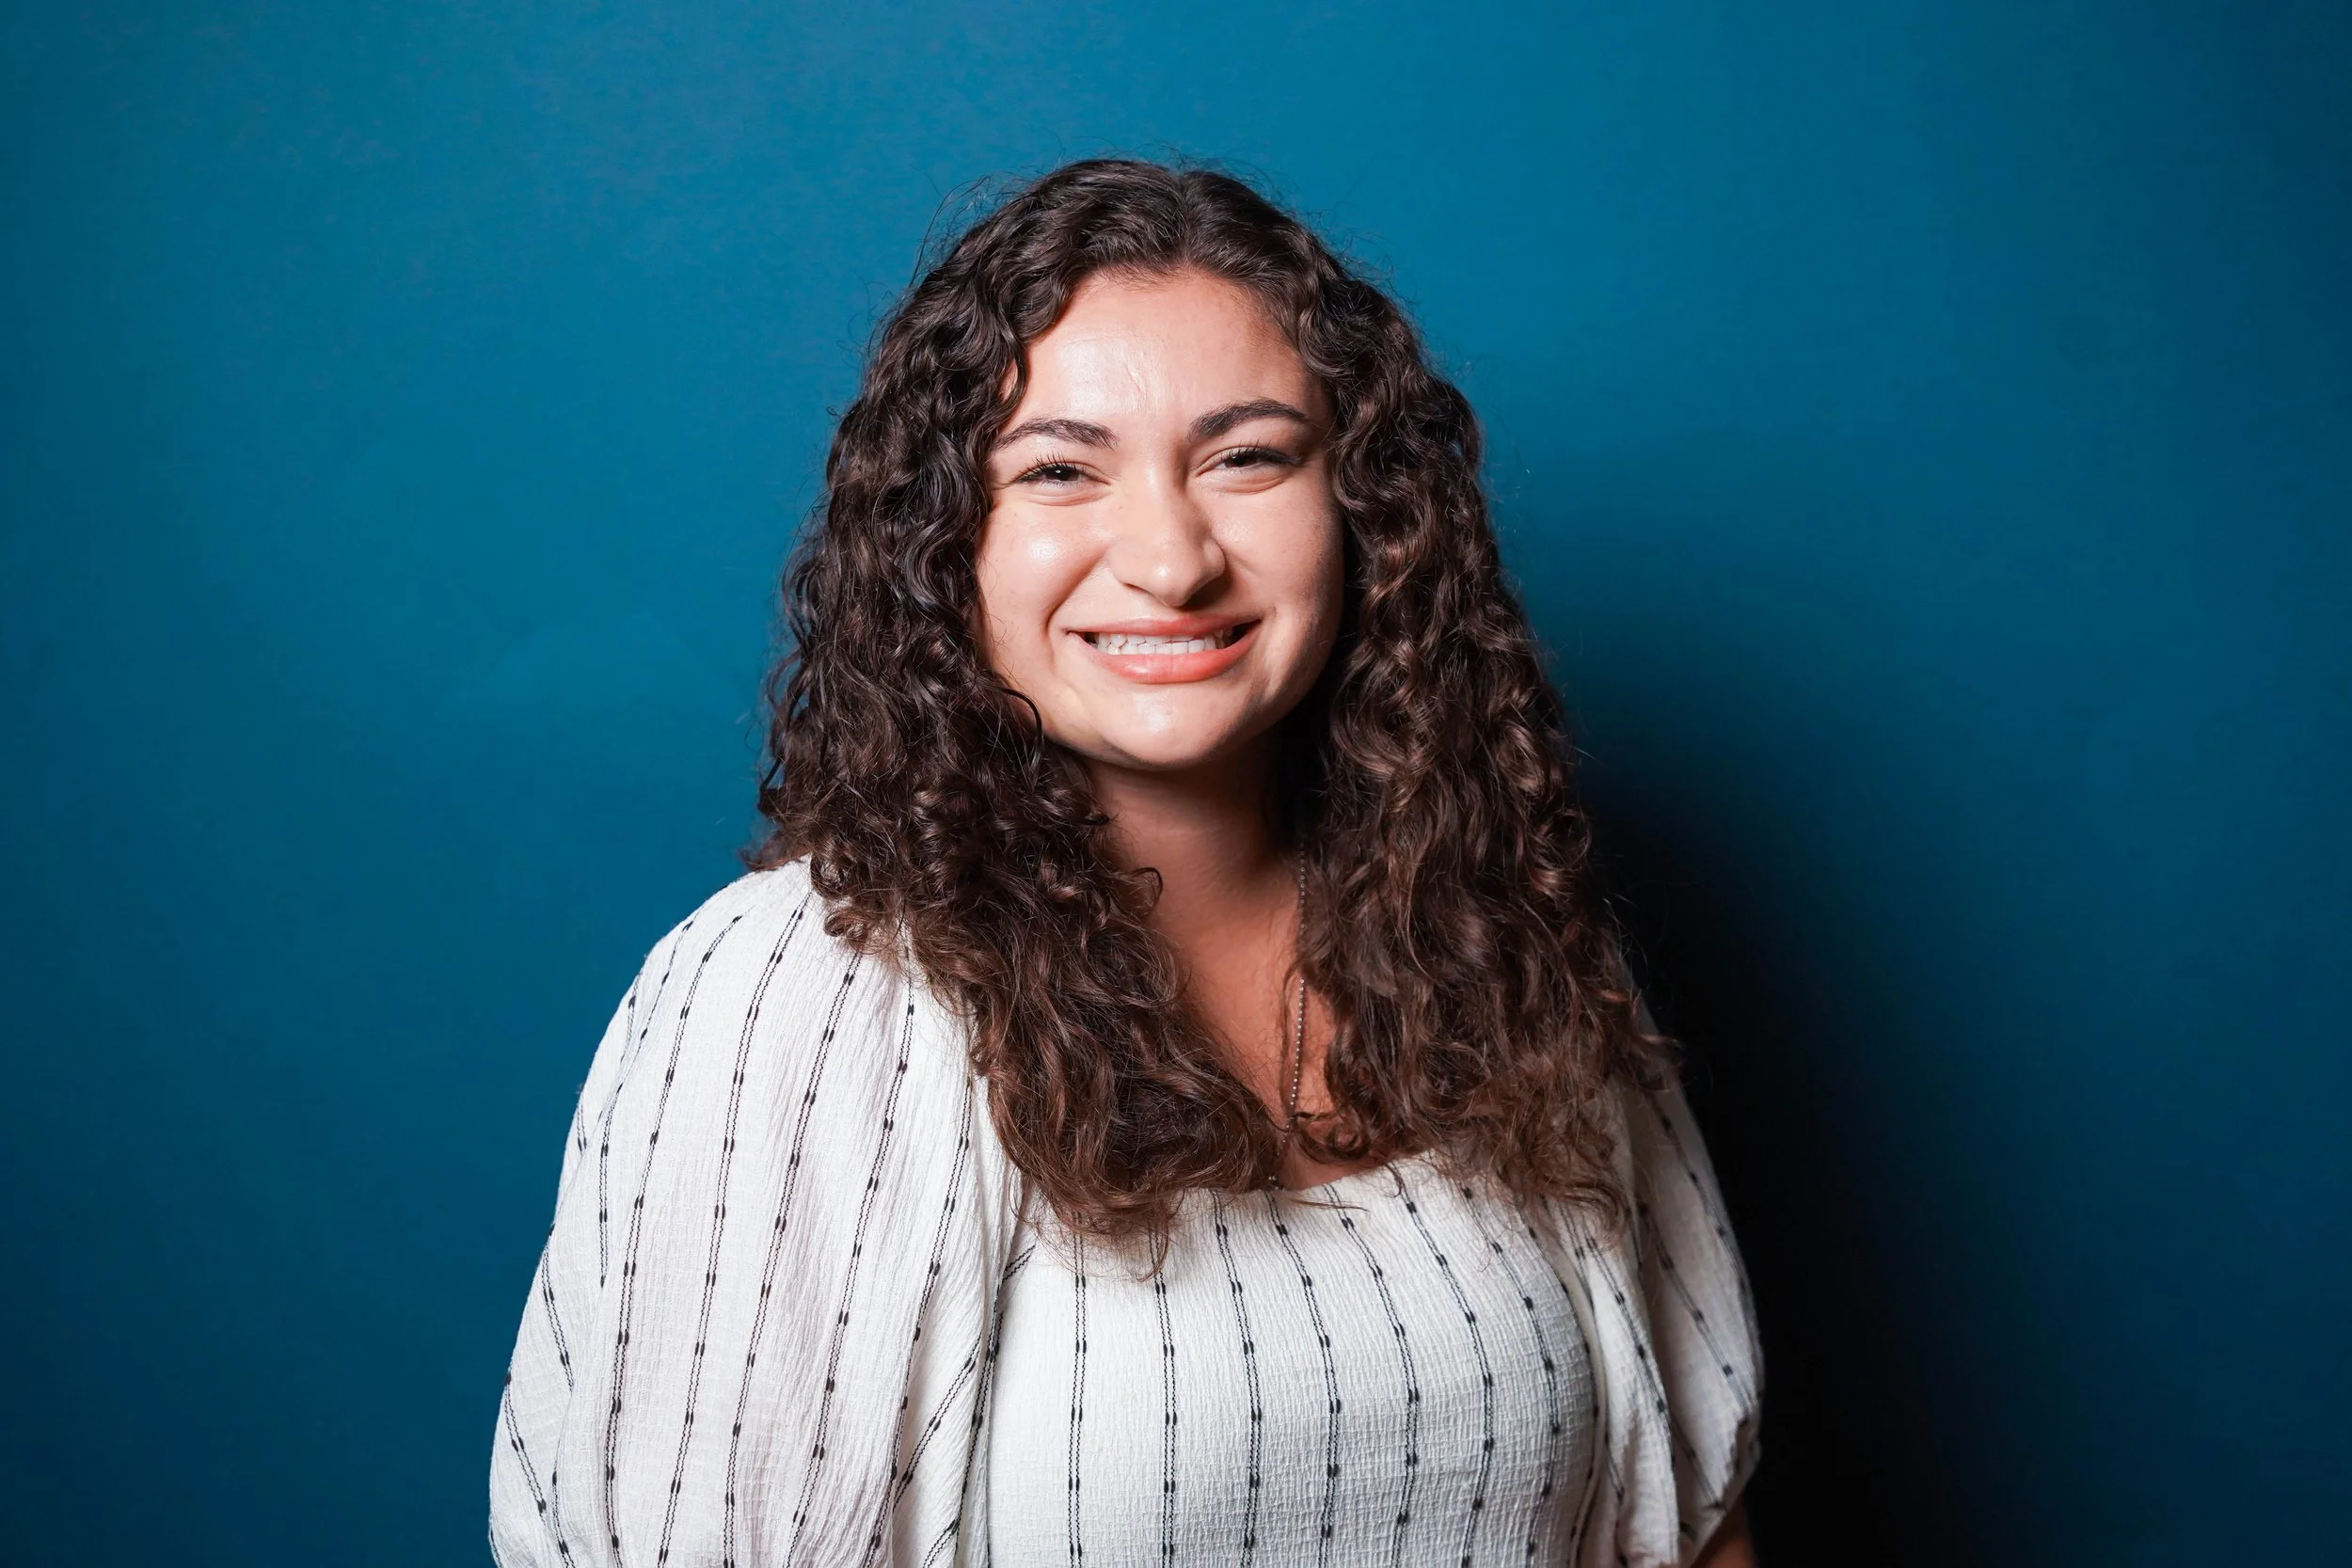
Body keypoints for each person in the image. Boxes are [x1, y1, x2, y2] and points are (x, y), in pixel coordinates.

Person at [490, 158, 1761, 1568]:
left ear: (1364, 513)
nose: (1169, 557)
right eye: (1058, 470)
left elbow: (1689, 1530)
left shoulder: (1494, 932)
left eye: (1248, 455)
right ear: (944, 541)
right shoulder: (797, 998)